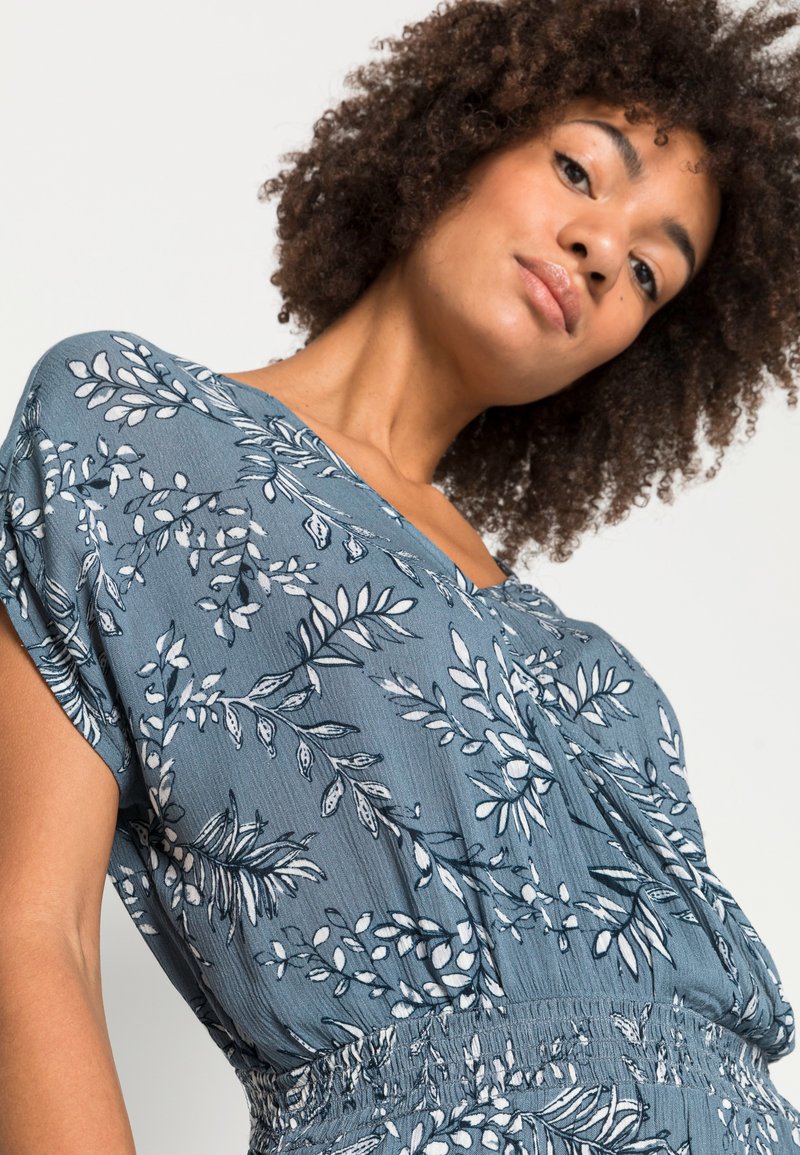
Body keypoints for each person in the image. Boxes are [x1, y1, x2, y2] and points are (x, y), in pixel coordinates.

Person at [1, 0, 799, 1151]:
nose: (596, 250)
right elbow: (34, 934)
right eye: (577, 170)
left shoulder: (575, 659)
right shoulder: (131, 434)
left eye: (644, 271)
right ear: (461, 132)